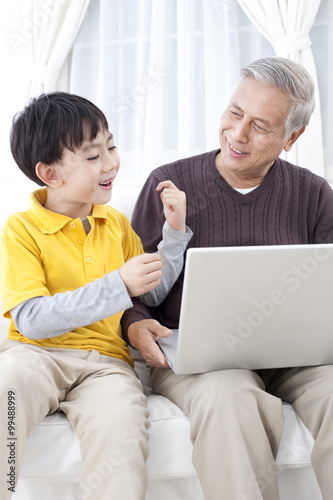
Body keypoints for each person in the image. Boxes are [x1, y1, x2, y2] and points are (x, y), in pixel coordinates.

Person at [121, 57, 333, 500]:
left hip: (298, 358)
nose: (238, 134)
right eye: (235, 113)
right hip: (204, 363)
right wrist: (134, 322)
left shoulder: (315, 194)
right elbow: (130, 282)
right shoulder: (168, 183)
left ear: (292, 138)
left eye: (260, 125)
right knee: (227, 398)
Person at [0, 92, 192, 499]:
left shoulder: (117, 224)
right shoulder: (21, 230)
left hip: (106, 365)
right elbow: (31, 318)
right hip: (36, 354)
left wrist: (173, 236)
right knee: (6, 392)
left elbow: (151, 292)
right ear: (50, 174)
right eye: (92, 156)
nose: (110, 163)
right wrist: (117, 285)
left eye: (111, 146)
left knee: (122, 425)